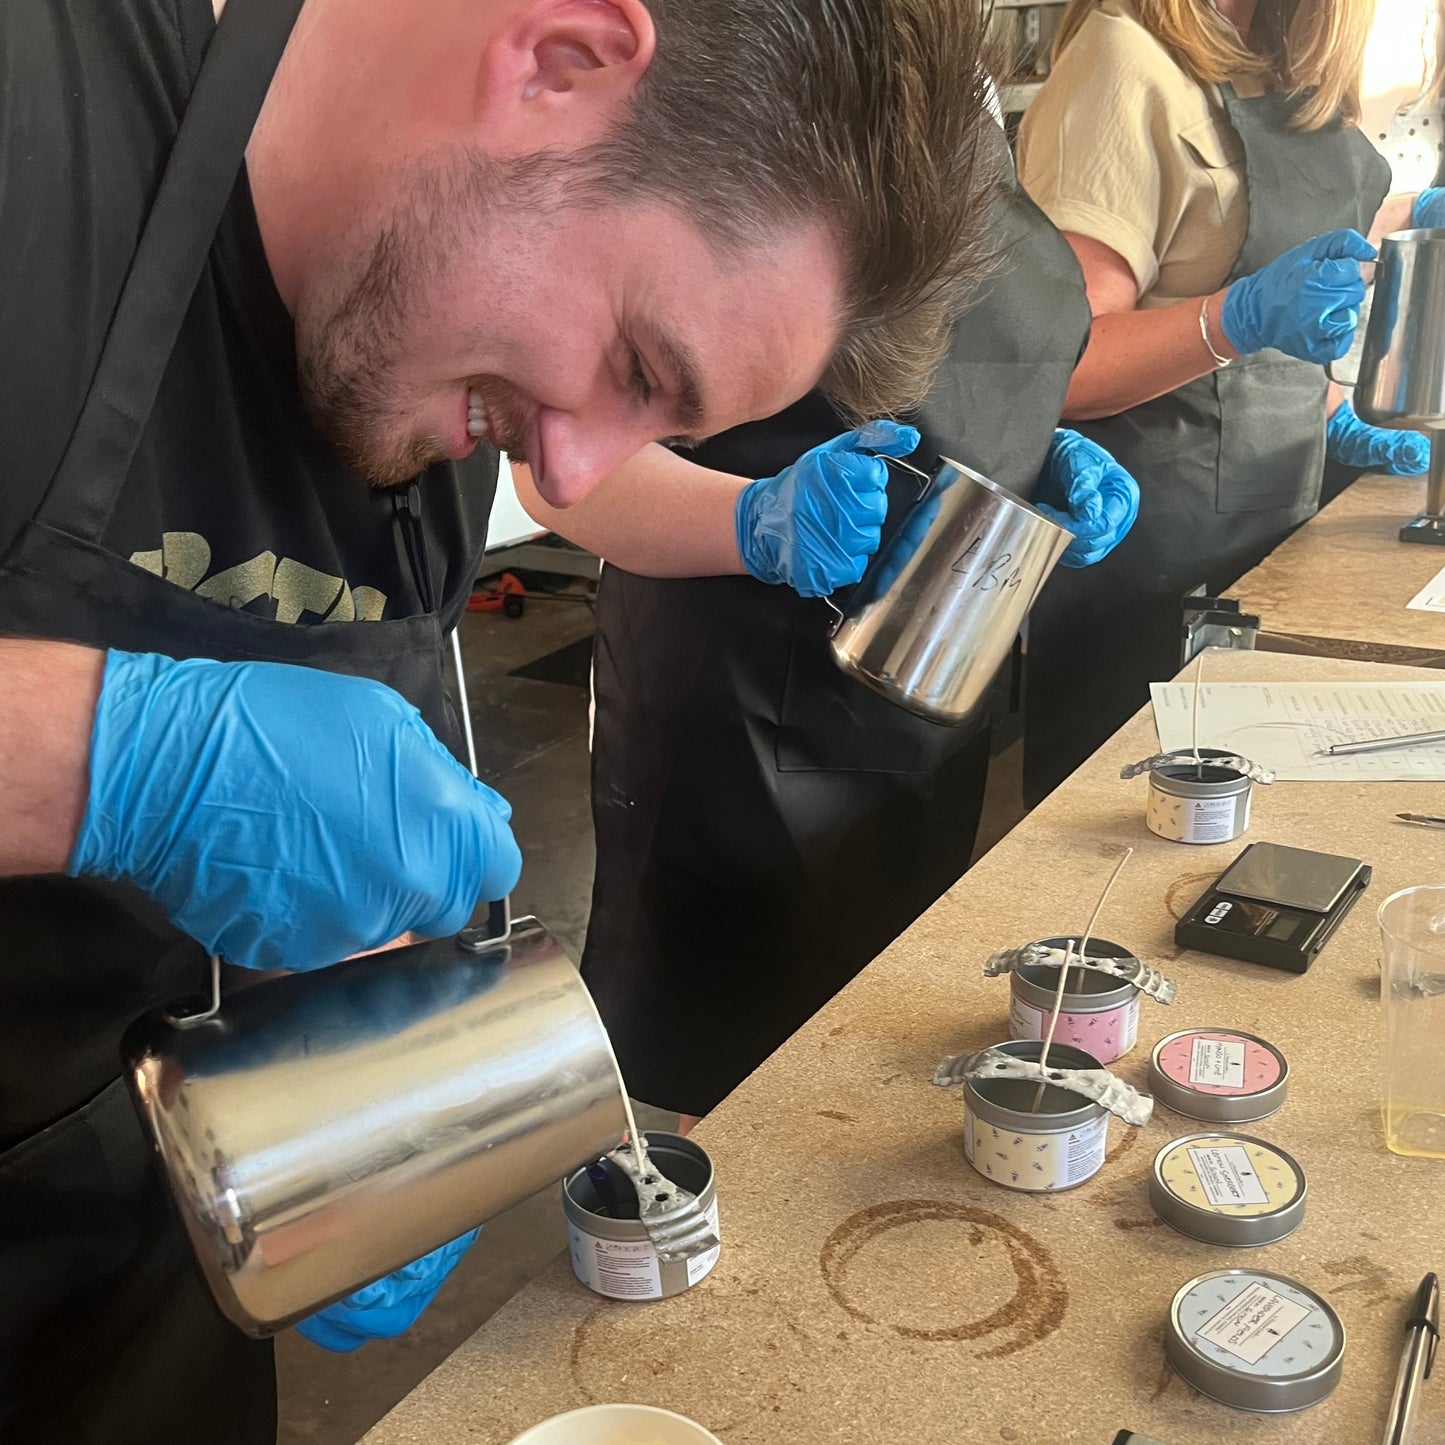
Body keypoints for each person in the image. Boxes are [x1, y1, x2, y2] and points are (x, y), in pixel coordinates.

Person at [0, 0, 1001, 1434]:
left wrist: (368, 1097)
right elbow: (169, 763)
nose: (580, 484)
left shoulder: (420, 313)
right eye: (641, 364)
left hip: (139, 1261)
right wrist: (118, 755)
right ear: (560, 62)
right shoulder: (35, 104)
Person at [514, 118, 1139, 1125]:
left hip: (929, 702)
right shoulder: (724, 129)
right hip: (733, 716)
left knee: (872, 1067)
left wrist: (1035, 449)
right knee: (715, 1088)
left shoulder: (970, 131)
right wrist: (749, 519)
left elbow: (951, 382)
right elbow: (554, 474)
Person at [1016, 0, 1401, 804]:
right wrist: (1234, 317)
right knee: (1118, 844)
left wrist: (1333, 417)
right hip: (1146, 564)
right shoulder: (1123, 59)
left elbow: (1286, 302)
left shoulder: (1289, 62)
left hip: (1275, 546)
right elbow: (1060, 363)